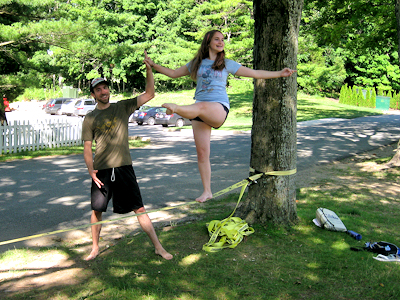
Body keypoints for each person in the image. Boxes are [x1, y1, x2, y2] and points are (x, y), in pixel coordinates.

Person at [145, 30, 296, 203]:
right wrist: (153, 65)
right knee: (202, 153)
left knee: (199, 106)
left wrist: (279, 73)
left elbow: (255, 73)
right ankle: (207, 191)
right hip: (199, 112)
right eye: (217, 39)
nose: (221, 42)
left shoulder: (227, 63)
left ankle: (177, 108)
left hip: (218, 108)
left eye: (222, 39)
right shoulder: (197, 63)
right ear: (208, 42)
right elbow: (172, 73)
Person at [82, 51, 173, 261]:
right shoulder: (90, 117)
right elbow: (88, 147)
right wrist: (91, 171)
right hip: (101, 171)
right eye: (99, 89)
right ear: (93, 94)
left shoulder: (122, 106)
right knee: (97, 211)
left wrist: (149, 69)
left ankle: (158, 247)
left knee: (139, 208)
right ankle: (95, 248)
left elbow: (150, 94)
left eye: (105, 87)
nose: (103, 91)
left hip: (124, 167)